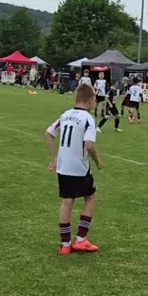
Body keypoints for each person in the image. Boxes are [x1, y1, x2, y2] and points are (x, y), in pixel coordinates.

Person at [45, 84, 104, 255]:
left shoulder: (65, 115)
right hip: (79, 167)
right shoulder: (88, 119)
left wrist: (55, 157)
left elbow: (49, 134)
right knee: (91, 197)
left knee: (67, 202)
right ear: (90, 101)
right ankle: (81, 240)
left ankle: (65, 245)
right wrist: (97, 160)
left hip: (64, 167)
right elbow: (90, 144)